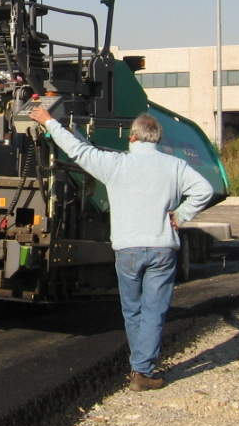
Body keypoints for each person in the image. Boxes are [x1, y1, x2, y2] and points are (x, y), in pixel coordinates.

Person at [28, 108, 213, 391]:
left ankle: (141, 366)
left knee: (132, 310)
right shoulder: (175, 166)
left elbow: (77, 150)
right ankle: (142, 370)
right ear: (157, 139)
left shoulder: (115, 163)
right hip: (162, 248)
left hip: (127, 250)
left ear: (133, 138)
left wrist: (49, 122)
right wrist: (181, 214)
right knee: (154, 310)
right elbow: (204, 190)